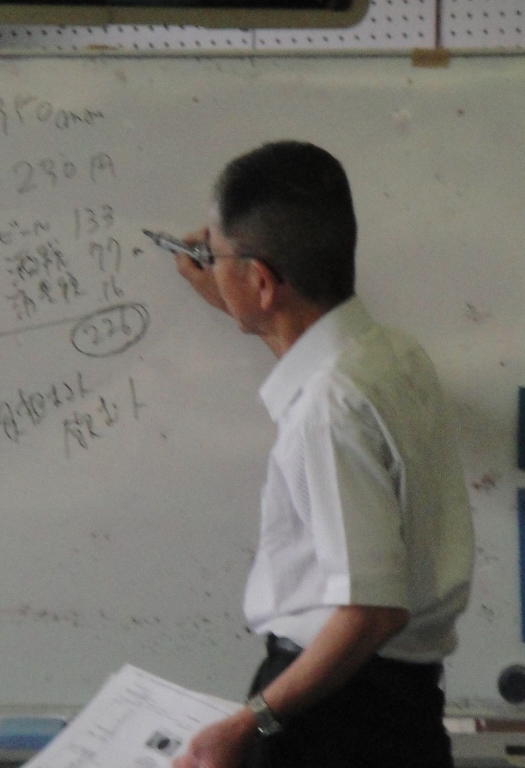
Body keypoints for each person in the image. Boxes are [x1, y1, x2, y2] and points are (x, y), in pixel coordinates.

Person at [169, 141, 474, 768]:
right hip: (395, 712)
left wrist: (249, 723)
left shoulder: (329, 410)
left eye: (215, 256)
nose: (208, 264)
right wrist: (236, 296)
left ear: (262, 281)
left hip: (334, 719)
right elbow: (307, 358)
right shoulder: (390, 355)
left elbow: (372, 611)